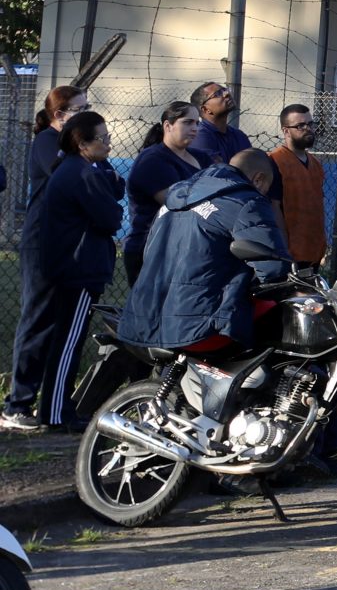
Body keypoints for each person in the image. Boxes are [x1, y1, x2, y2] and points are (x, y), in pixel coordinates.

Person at [2, 110, 120, 432]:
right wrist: (108, 194)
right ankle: (56, 413)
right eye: (102, 138)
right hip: (80, 270)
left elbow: (114, 196)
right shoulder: (81, 174)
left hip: (72, 267)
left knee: (63, 340)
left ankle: (56, 410)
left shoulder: (74, 169)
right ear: (83, 143)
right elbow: (112, 218)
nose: (108, 144)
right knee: (67, 343)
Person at [122, 149, 290, 354]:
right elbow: (273, 269)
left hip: (145, 316)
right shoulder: (247, 201)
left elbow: (149, 250)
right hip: (200, 324)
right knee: (277, 314)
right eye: (265, 188)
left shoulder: (176, 196)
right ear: (259, 179)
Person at [125, 101, 207, 284]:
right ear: (168, 126)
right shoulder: (153, 160)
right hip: (152, 250)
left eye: (197, 123)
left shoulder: (202, 157)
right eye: (187, 122)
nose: (194, 128)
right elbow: (180, 203)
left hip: (187, 248)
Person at [268, 102, 327, 269]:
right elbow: (274, 207)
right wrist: (283, 249)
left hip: (314, 251)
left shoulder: (315, 163)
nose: (308, 128)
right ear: (286, 130)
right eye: (300, 125)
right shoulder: (274, 161)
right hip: (290, 254)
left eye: (310, 124)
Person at [23, 85, 87, 209]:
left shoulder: (82, 141)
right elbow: (69, 180)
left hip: (71, 223)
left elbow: (116, 187)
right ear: (59, 115)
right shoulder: (46, 140)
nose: (85, 115)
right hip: (45, 224)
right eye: (78, 110)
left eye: (86, 108)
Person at [186, 80, 252, 165]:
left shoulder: (239, 135)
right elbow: (216, 173)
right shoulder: (199, 136)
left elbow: (252, 166)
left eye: (224, 90)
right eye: (217, 94)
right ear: (206, 110)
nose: (226, 94)